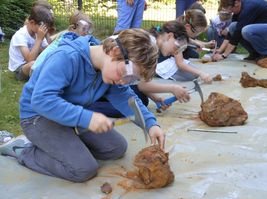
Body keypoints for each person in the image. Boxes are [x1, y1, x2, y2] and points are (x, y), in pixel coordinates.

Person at [0, 28, 165, 183]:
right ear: (115, 52)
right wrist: (86, 118)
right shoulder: (67, 57)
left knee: (116, 148)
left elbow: (126, 98)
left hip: (67, 118)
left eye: (131, 80)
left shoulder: (109, 68)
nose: (124, 81)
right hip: (37, 117)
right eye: (125, 75)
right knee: (84, 169)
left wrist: (150, 124)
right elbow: (41, 100)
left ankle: (67, 146)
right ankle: (22, 150)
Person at [213, 0, 267, 69]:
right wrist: (220, 50)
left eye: (231, 10)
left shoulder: (249, 7)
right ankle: (255, 53)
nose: (231, 13)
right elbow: (231, 33)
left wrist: (224, 55)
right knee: (233, 26)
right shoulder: (239, 8)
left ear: (237, 2)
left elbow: (237, 35)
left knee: (247, 31)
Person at [31, 10, 94, 74]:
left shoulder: (65, 34)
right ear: (73, 28)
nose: (86, 33)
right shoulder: (68, 39)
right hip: (40, 71)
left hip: (38, 69)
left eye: (88, 30)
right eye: (84, 29)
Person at [8, 5, 54, 81]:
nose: (44, 30)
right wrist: (39, 39)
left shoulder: (37, 32)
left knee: (49, 60)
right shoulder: (20, 35)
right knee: (33, 64)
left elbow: (48, 51)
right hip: (21, 69)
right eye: (43, 27)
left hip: (34, 62)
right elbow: (29, 60)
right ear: (32, 23)